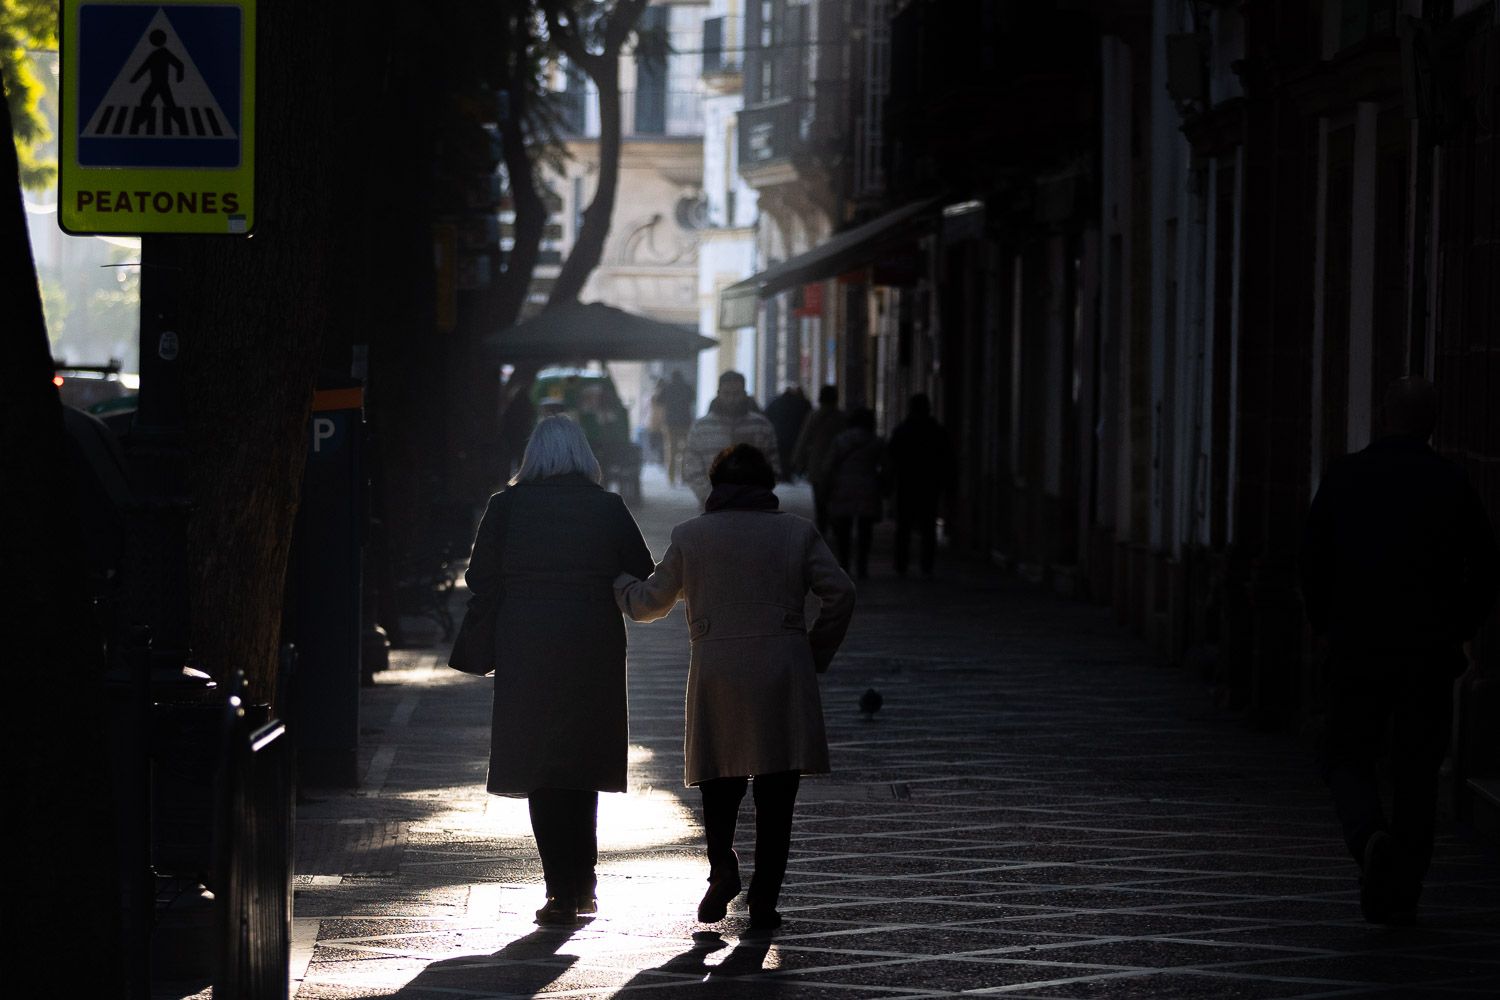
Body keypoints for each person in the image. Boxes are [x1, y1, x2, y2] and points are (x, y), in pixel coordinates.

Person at [614, 444, 855, 931]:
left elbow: (647, 605)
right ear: (768, 485)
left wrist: (616, 581)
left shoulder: (692, 536)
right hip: (782, 669)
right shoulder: (796, 533)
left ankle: (722, 866)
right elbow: (841, 592)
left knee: (719, 781)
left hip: (718, 666)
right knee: (776, 791)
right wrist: (814, 652)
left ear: (715, 487)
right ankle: (764, 901)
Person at [1300, 376, 1499, 924]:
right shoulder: (1450, 481)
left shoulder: (1345, 476)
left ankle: (1368, 838)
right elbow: (1486, 565)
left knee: (1346, 756)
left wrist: (1325, 623)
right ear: (1431, 424)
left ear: (1384, 415)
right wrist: (1459, 625)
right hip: (1426, 652)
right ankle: (1402, 888)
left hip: (1357, 645)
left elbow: (1312, 557)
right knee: (1416, 770)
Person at [464, 415, 654, 927]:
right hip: (592, 642)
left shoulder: (505, 507)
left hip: (526, 643)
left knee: (541, 764)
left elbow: (478, 575)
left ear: (533, 455)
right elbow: (643, 569)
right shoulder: (607, 507)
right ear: (583, 455)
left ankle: (558, 891)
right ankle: (585, 883)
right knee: (582, 761)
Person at [681, 370, 780, 506]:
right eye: (727, 394)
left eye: (736, 394)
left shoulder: (761, 426)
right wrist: (708, 495)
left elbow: (773, 465)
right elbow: (691, 467)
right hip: (712, 505)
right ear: (718, 394)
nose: (732, 399)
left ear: (745, 394)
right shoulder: (701, 428)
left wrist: (757, 495)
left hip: (754, 506)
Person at [886, 393, 953, 577]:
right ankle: (927, 564)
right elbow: (946, 459)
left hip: (906, 483)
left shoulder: (902, 430)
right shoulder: (937, 432)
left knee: (904, 527)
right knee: (928, 526)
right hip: (929, 484)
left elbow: (891, 456)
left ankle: (901, 563)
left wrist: (889, 482)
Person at [820, 407, 884, 580]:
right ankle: (862, 566)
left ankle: (844, 564)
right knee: (865, 530)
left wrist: (826, 486)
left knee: (843, 529)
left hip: (843, 486)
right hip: (868, 486)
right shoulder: (876, 441)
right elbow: (885, 466)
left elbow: (829, 465)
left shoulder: (841, 440)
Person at [792, 385, 846, 534]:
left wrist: (797, 461)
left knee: (820, 501)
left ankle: (823, 529)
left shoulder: (814, 416)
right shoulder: (842, 417)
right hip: (837, 466)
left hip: (817, 464)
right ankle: (836, 527)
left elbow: (803, 439)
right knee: (835, 499)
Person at [763, 385, 812, 482]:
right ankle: (788, 474)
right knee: (790, 455)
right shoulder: (800, 403)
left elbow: (766, 415)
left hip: (778, 433)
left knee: (781, 455)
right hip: (794, 434)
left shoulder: (775, 402)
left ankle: (783, 474)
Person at [656, 370, 697, 487]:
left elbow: (658, 401)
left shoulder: (668, 388)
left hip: (670, 423)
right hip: (685, 423)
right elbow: (693, 399)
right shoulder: (687, 387)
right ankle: (683, 477)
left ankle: (671, 478)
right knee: (685, 451)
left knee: (671, 451)